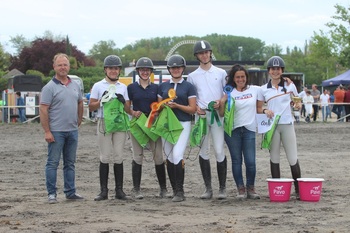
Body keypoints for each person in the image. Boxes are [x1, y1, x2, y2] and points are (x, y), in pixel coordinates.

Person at [39, 53, 84, 204]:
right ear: (54, 67)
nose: (63, 67)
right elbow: (44, 109)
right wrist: (47, 131)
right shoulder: (49, 88)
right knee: (53, 163)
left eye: (65, 64)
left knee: (70, 163)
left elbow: (79, 103)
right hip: (56, 132)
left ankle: (70, 192)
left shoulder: (75, 85)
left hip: (72, 131)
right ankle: (52, 194)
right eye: (60, 65)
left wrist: (78, 119)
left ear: (69, 66)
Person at [187, 40, 228, 200]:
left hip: (216, 115)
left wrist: (222, 101)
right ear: (197, 56)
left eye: (206, 52)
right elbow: (192, 97)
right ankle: (208, 187)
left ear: (210, 53)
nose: (204, 55)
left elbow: (227, 92)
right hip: (202, 116)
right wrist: (196, 106)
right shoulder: (192, 76)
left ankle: (222, 188)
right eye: (201, 53)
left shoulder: (221, 73)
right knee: (203, 151)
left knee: (218, 150)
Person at [257, 56, 302, 199]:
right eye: (272, 69)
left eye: (278, 69)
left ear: (282, 70)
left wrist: (297, 105)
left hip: (287, 124)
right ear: (269, 71)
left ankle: (299, 189)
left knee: (292, 157)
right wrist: (265, 111)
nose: (275, 71)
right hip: (272, 126)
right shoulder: (263, 89)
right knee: (274, 156)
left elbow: (298, 103)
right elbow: (258, 108)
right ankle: (277, 188)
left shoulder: (290, 86)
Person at [89, 55, 130, 201]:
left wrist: (123, 102)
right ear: (105, 70)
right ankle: (103, 190)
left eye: (116, 68)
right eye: (110, 68)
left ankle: (119, 190)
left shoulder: (123, 87)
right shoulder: (98, 86)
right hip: (104, 122)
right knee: (105, 156)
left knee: (118, 156)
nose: (113, 71)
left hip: (119, 123)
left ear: (119, 70)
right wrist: (101, 101)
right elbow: (91, 105)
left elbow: (128, 109)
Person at [126, 57, 168, 199]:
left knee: (158, 156)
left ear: (150, 72)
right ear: (138, 71)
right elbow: (127, 106)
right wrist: (132, 112)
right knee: (137, 156)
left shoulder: (156, 87)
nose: (145, 72)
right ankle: (136, 189)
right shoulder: (131, 88)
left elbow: (159, 105)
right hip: (138, 123)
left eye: (147, 70)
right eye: (142, 70)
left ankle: (163, 188)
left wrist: (158, 111)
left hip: (152, 124)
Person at [218, 64, 261, 200]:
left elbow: (270, 89)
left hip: (249, 129)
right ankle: (240, 188)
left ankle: (251, 187)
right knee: (236, 161)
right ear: (233, 78)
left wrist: (286, 81)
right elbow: (221, 114)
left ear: (246, 77)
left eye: (243, 76)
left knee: (250, 161)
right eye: (237, 77)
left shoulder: (255, 90)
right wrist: (223, 102)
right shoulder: (228, 92)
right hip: (233, 130)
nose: (240, 79)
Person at [158, 54, 197, 202]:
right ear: (169, 69)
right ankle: (175, 190)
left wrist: (177, 105)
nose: (176, 70)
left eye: (178, 67)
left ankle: (180, 191)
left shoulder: (189, 87)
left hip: (182, 123)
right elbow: (158, 107)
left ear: (182, 69)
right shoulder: (163, 86)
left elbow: (192, 109)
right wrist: (164, 106)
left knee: (177, 155)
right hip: (167, 125)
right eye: (173, 68)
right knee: (168, 156)